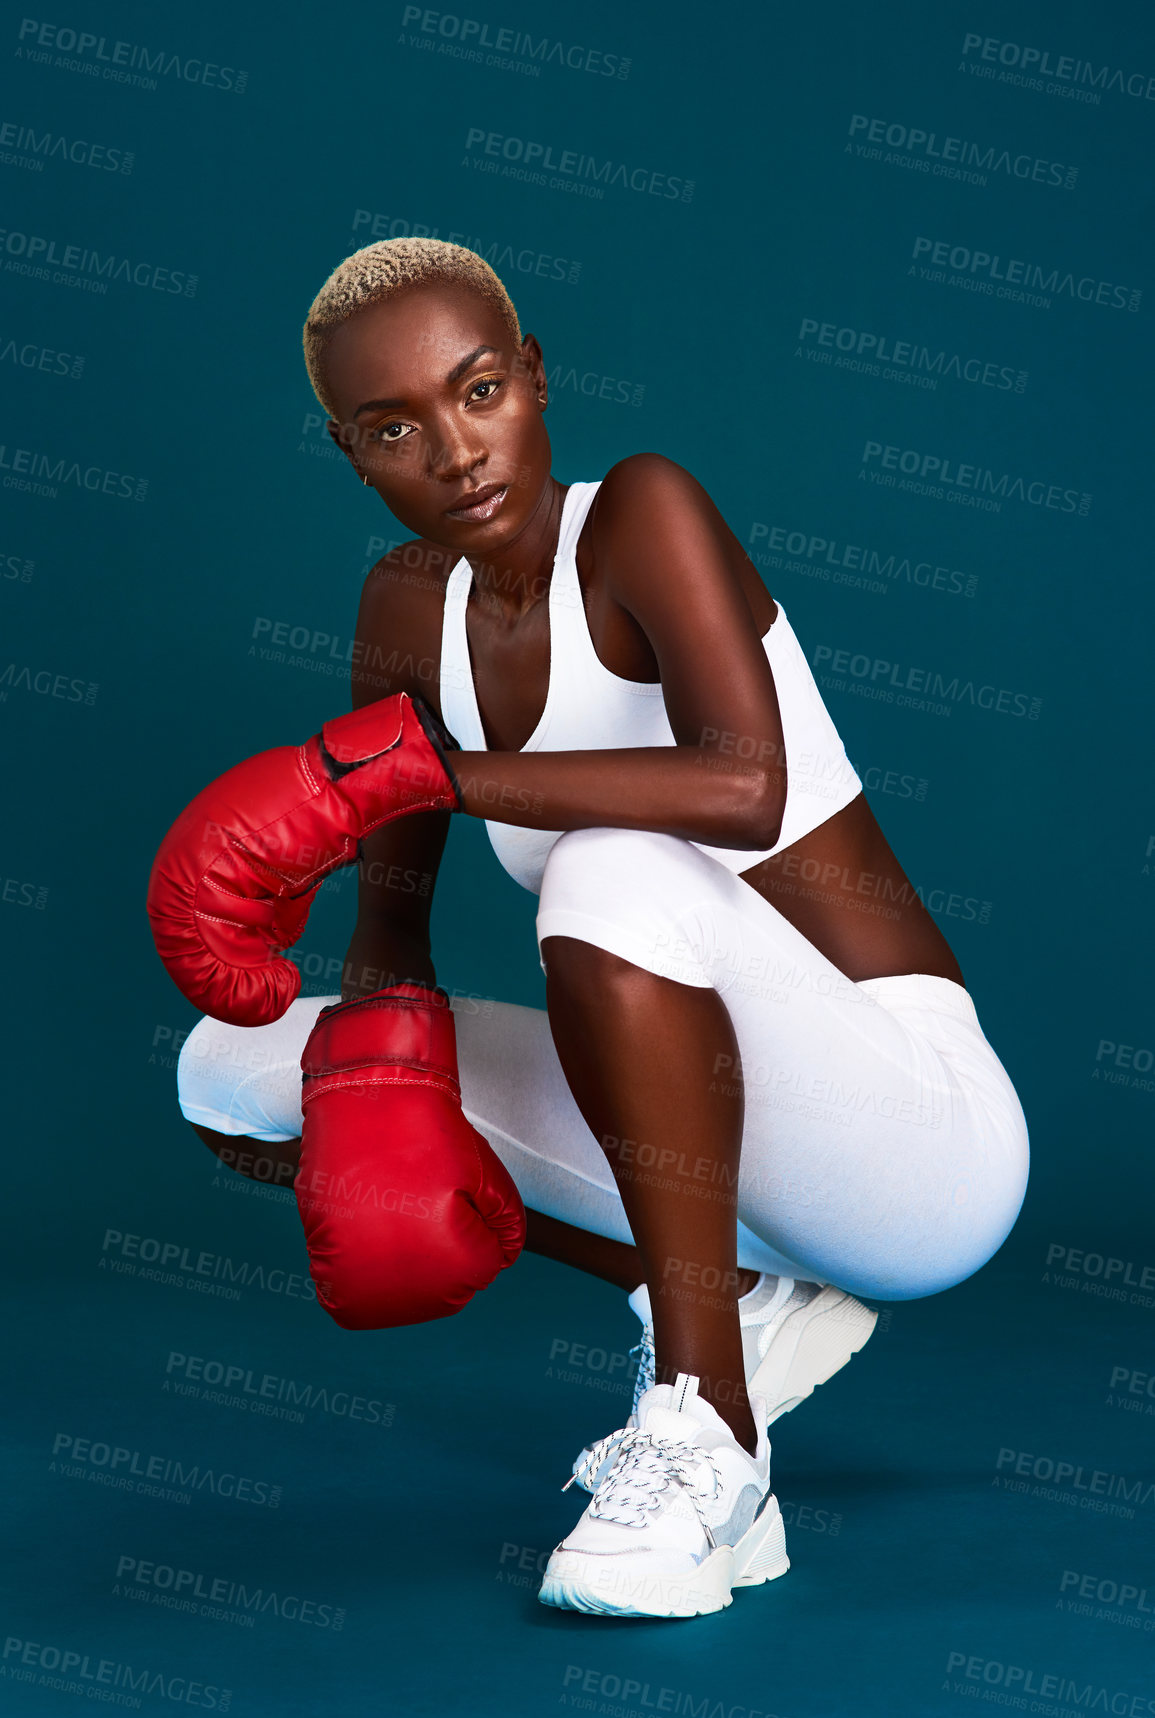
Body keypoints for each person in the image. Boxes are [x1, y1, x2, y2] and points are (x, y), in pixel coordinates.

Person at [171, 237, 1029, 1620]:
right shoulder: (406, 608)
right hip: (723, 1140)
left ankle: (711, 1432)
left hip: (920, 1134)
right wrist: (365, 1137)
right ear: (352, 455)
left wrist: (437, 774)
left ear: (536, 378)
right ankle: (731, 1294)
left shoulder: (640, 514)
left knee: (613, 865)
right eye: (395, 429)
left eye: (481, 390)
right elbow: (391, 944)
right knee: (238, 1065)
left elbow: (742, 786)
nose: (455, 451)